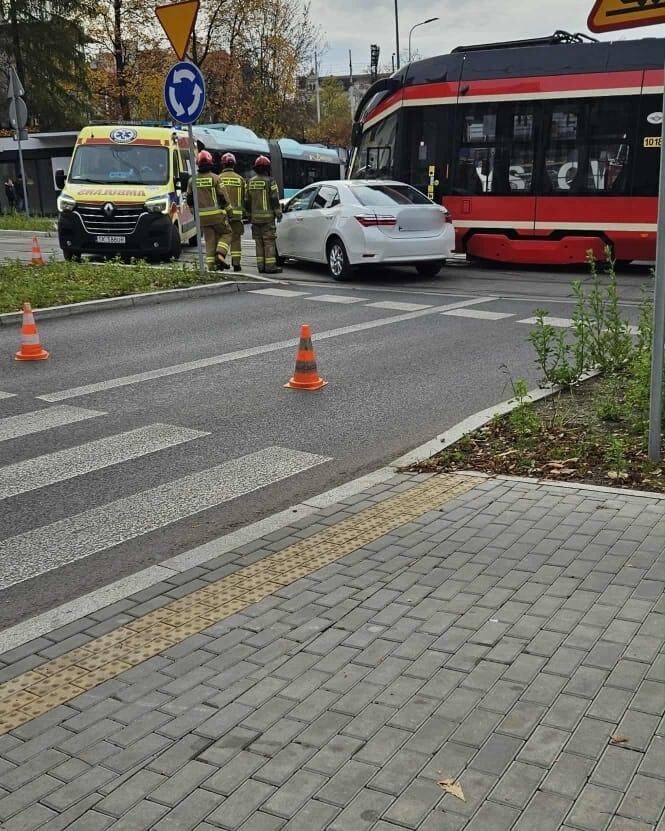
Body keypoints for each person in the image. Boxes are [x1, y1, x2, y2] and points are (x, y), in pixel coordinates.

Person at [186, 150, 232, 271]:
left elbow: (189, 199)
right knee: (227, 233)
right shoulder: (216, 178)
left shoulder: (192, 180)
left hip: (202, 218)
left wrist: (195, 213)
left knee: (209, 240)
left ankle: (212, 267)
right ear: (210, 163)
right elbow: (223, 197)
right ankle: (220, 253)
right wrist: (230, 212)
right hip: (217, 216)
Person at [245, 155, 282, 274]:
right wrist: (278, 212)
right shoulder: (270, 181)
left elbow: (246, 200)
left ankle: (260, 266)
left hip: (255, 219)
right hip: (268, 219)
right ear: (267, 168)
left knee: (258, 243)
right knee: (269, 242)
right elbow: (274, 198)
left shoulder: (250, 182)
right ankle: (270, 267)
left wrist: (248, 215)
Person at [220, 152, 246, 272]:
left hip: (223, 215)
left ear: (223, 164)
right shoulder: (240, 179)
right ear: (234, 164)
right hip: (237, 216)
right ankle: (236, 264)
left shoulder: (218, 178)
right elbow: (245, 198)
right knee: (236, 239)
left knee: (223, 237)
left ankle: (221, 258)